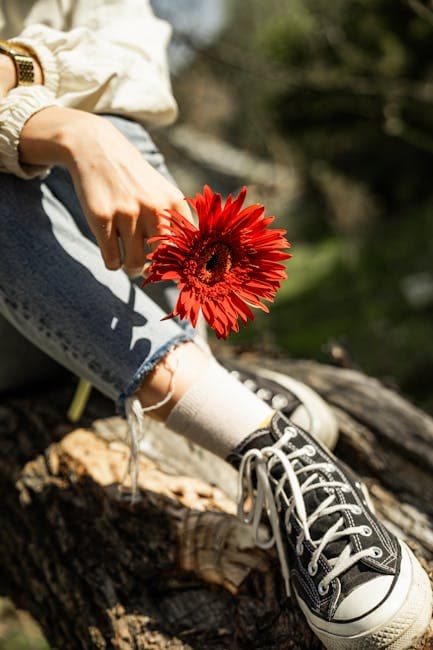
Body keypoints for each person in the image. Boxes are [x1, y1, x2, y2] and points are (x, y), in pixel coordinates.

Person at [0, 2, 431, 648]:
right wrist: (57, 121)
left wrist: (32, 96)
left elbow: (132, 61)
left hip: (81, 291)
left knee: (114, 122)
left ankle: (217, 394)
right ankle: (266, 440)